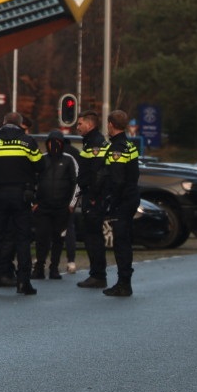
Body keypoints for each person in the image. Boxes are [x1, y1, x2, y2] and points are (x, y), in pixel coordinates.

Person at [0, 111, 43, 295]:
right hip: (22, 197)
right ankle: (23, 283)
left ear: (3, 122)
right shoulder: (28, 142)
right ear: (21, 124)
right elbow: (40, 166)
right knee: (22, 240)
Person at [99, 109, 143, 297]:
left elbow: (116, 180)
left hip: (122, 200)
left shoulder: (116, 148)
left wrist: (111, 202)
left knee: (121, 243)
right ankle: (124, 281)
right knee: (125, 241)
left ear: (110, 124)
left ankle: (124, 283)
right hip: (131, 196)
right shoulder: (130, 145)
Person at [31, 129, 79, 280]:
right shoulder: (41, 159)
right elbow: (31, 180)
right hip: (43, 207)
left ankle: (54, 268)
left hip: (62, 208)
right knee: (41, 238)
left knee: (58, 239)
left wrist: (71, 204)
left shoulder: (69, 160)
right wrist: (34, 202)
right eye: (51, 143)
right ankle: (39, 268)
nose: (54, 146)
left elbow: (77, 183)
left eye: (57, 143)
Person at [72, 110, 110, 290]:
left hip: (93, 197)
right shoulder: (91, 142)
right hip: (92, 195)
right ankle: (96, 274)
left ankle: (97, 275)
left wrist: (93, 197)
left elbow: (97, 172)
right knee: (92, 236)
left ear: (90, 124)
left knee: (93, 237)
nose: (77, 127)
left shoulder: (95, 144)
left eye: (80, 124)